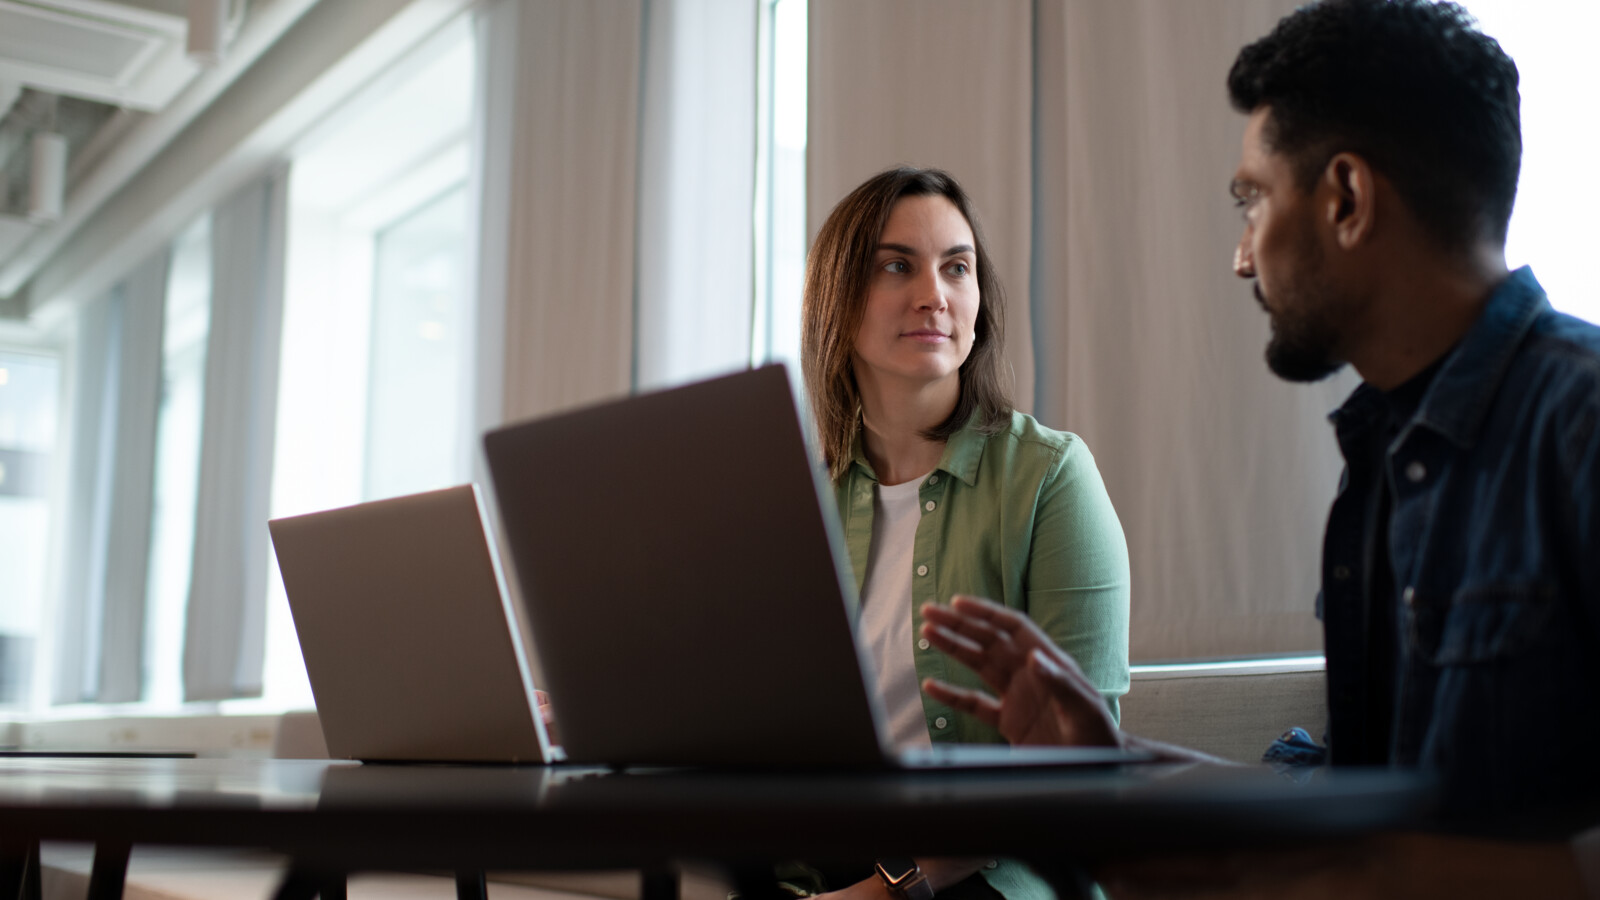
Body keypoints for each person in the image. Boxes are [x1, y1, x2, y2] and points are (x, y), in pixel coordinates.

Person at [917, 0, 1600, 895]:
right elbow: (1371, 809)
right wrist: (1106, 765)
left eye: (1252, 200)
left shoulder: (1578, 425)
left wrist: (1293, 877)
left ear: (1347, 198)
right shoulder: (1386, 462)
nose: (1242, 257)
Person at [798, 166, 1131, 900]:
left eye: (957, 267)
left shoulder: (1052, 478)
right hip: (822, 868)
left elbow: (1078, 758)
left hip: (991, 880)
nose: (934, 296)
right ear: (837, 299)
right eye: (896, 266)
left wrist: (891, 889)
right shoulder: (804, 498)